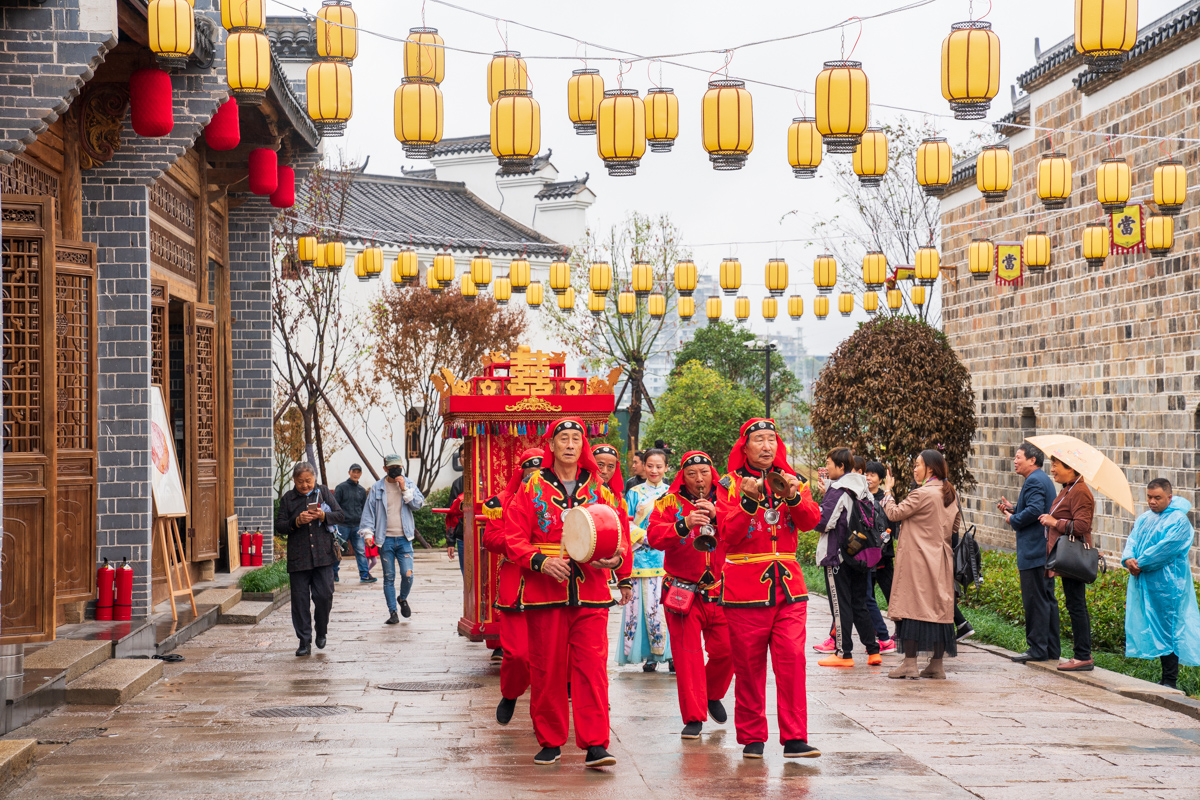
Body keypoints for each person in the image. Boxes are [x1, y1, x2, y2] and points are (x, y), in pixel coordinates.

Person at [503, 418, 632, 768]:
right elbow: (512, 536)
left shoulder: (600, 490)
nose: (571, 444)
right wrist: (540, 561)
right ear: (553, 445)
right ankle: (550, 739)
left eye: (577, 438)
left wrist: (618, 559)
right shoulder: (531, 488)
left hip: (591, 591)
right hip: (545, 593)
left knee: (592, 669)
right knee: (547, 668)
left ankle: (595, 744)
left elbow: (620, 533)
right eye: (564, 439)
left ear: (583, 446)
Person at [718, 418, 822, 760]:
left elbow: (810, 521)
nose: (767, 446)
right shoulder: (728, 484)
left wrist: (793, 496)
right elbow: (726, 535)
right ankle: (751, 737)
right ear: (744, 447)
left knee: (792, 660)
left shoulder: (794, 481)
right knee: (748, 667)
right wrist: (748, 503)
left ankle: (795, 738)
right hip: (744, 590)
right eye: (759, 440)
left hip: (789, 588)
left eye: (771, 440)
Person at [647, 451, 733, 740]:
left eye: (704, 472)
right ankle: (694, 717)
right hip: (682, 591)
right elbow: (654, 537)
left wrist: (717, 515)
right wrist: (683, 523)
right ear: (682, 476)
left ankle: (711, 693)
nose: (699, 478)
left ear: (714, 474)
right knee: (688, 658)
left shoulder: (727, 501)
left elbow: (741, 531)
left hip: (721, 590)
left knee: (728, 651)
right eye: (692, 473)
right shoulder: (667, 503)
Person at [882, 449, 960, 680]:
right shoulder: (950, 493)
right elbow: (954, 528)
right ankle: (936, 665)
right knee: (938, 610)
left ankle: (909, 664)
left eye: (918, 464)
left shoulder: (922, 493)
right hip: (941, 560)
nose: (915, 469)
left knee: (913, 609)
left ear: (931, 469)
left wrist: (888, 491)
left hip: (918, 561)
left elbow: (894, 513)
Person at [482, 449, 543, 724]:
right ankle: (510, 693)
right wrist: (519, 542)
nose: (535, 480)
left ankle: (543, 718)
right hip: (515, 584)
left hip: (549, 584)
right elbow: (490, 538)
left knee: (548, 658)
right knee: (517, 654)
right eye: (530, 474)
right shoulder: (501, 502)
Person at [1122, 478, 1200, 690]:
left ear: (1169, 497)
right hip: (1146, 581)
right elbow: (1133, 540)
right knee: (1153, 624)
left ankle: (1170, 680)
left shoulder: (1179, 521)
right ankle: (1164, 679)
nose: (1152, 502)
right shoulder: (1145, 518)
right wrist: (1128, 558)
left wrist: (1140, 563)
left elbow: (1167, 548)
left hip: (1169, 586)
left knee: (1170, 628)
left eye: (1157, 497)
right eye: (1149, 497)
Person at [815, 448, 880, 668]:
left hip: (838, 556)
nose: (827, 467)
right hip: (860, 555)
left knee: (840, 605)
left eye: (829, 463)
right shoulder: (863, 488)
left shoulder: (838, 489)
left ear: (841, 466)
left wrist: (814, 507)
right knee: (859, 603)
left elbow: (823, 522)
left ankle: (843, 654)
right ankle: (873, 651)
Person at [274, 462, 345, 656]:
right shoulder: (288, 499)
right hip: (299, 558)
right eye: (300, 482)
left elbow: (340, 515)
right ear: (294, 481)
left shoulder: (323, 492)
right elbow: (279, 526)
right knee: (300, 602)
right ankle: (304, 641)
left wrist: (323, 515)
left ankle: (321, 630)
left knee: (324, 596)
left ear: (314, 479)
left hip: (323, 556)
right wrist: (296, 522)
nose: (305, 485)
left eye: (308, 481)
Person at [1000, 442, 1059, 663]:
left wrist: (1013, 519)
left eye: (1018, 457)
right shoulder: (1042, 479)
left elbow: (1035, 510)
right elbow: (1037, 507)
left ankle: (1037, 649)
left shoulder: (1034, 480)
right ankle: (1051, 649)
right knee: (1046, 601)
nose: (1015, 461)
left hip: (1034, 551)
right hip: (1042, 551)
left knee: (1035, 601)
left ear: (1032, 460)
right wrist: (1015, 508)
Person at [1038, 456, 1095, 672]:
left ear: (1070, 468)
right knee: (1073, 604)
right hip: (1066, 557)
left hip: (1074, 557)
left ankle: (1083, 656)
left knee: (1077, 605)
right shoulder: (1068, 489)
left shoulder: (1080, 491)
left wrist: (1055, 522)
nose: (1052, 470)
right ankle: (1081, 654)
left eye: (1056, 465)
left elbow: (1082, 525)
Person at [621, 448, 673, 671]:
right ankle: (650, 656)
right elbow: (626, 523)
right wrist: (644, 537)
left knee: (666, 608)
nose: (654, 470)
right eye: (649, 465)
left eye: (659, 466)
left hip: (666, 559)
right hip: (641, 557)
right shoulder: (634, 493)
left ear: (666, 468)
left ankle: (671, 655)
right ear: (643, 466)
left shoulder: (672, 494)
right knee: (642, 609)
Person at [358, 455, 426, 625]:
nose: (395, 469)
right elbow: (369, 513)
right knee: (389, 577)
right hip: (385, 539)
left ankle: (402, 599)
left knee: (407, 574)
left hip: (405, 539)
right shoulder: (377, 488)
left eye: (398, 466)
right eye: (392, 467)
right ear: (385, 469)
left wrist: (404, 489)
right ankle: (392, 612)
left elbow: (418, 505)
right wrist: (368, 534)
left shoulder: (409, 484)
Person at [334, 464, 375, 584]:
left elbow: (364, 509)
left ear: (361, 474)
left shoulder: (361, 490)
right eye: (354, 472)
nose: (356, 474)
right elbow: (335, 505)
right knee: (339, 550)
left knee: (361, 551)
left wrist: (366, 525)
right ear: (349, 472)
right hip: (343, 525)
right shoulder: (341, 488)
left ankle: (365, 575)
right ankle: (333, 573)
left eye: (358, 472)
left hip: (357, 526)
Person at [446, 475, 465, 572]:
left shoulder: (487, 480)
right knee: (467, 575)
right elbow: (451, 515)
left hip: (483, 534)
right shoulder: (458, 483)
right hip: (463, 536)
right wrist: (451, 541)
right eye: (463, 458)